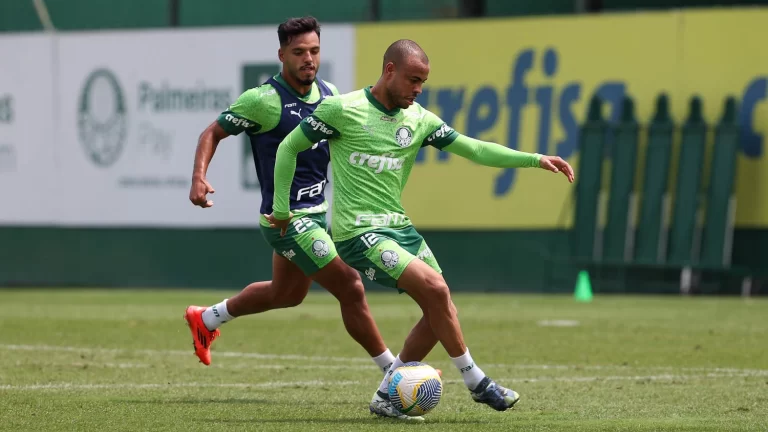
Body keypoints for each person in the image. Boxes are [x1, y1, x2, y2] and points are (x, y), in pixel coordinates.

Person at [267, 39, 575, 419]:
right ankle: (477, 382)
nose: (418, 89)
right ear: (389, 70)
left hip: (400, 229)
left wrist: (535, 159)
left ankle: (385, 395)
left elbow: (475, 150)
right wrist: (282, 210)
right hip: (358, 235)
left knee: (440, 307)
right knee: (436, 288)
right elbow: (287, 148)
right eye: (413, 80)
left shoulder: (420, 120)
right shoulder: (342, 109)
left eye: (423, 83)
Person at [183, 17, 401, 402]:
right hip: (285, 220)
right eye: (299, 52)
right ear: (281, 54)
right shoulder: (263, 100)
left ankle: (207, 318)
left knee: (287, 295)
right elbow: (211, 133)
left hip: (317, 214)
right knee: (350, 286)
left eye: (314, 51)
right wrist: (199, 177)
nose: (308, 59)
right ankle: (394, 372)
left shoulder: (329, 94)